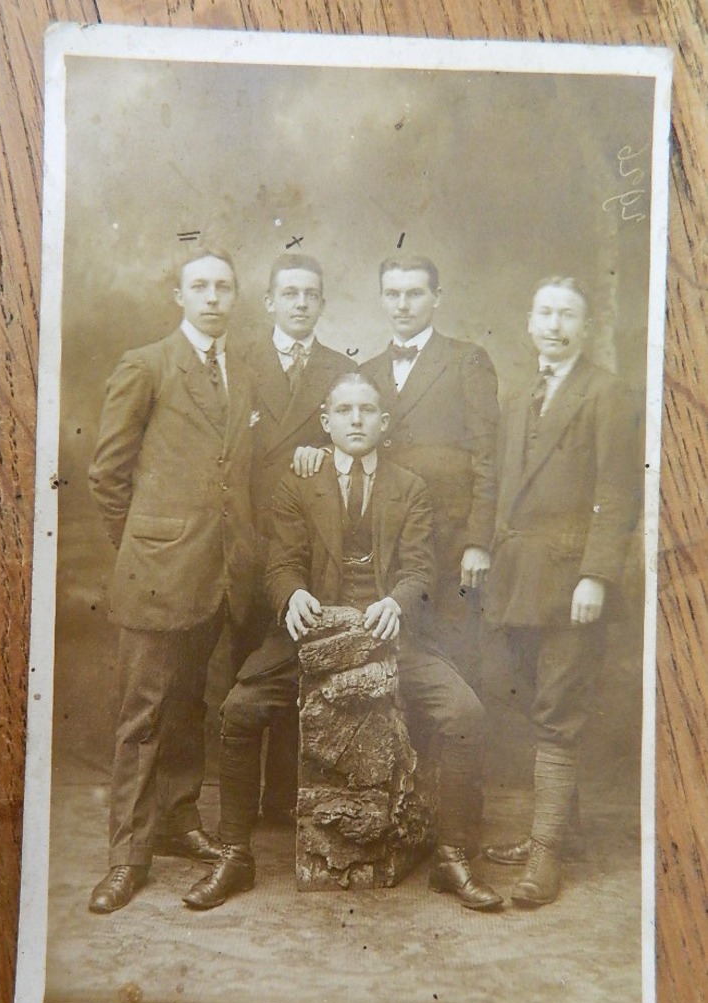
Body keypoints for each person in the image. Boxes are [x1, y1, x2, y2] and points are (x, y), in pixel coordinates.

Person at [182, 372, 503, 913]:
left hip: (389, 632)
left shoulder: (409, 487)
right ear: (326, 423)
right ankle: (235, 855)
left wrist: (394, 603)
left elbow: (421, 569)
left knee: (465, 714)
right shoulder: (297, 485)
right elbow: (280, 564)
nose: (356, 419)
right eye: (345, 410)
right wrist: (294, 597)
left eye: (367, 410)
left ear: (383, 422)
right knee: (239, 710)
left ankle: (452, 857)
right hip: (314, 633)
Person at [86, 247, 257, 913]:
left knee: (191, 703)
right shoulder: (147, 365)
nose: (213, 297)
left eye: (223, 286)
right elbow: (107, 473)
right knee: (143, 716)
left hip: (217, 573)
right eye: (200, 287)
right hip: (158, 571)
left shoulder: (238, 372)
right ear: (179, 297)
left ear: (234, 296)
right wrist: (144, 546)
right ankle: (127, 858)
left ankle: (179, 822)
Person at [482, 277, 642, 906]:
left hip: (573, 582)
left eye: (567, 315)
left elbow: (618, 492)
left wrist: (596, 576)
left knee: (558, 708)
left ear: (585, 325)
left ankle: (545, 858)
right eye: (544, 312)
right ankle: (560, 831)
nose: (554, 324)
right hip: (519, 579)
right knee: (529, 698)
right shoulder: (520, 398)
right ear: (529, 320)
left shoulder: (605, 392)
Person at [244, 253, 350, 823]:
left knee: (294, 660)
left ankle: (282, 802)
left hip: (299, 544)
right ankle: (228, 810)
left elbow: (363, 434)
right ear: (270, 302)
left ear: (322, 304)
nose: (301, 303)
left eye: (311, 294)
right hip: (242, 534)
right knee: (241, 669)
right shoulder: (239, 360)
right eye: (290, 294)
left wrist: (328, 451)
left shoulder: (339, 369)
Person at [360, 255, 499, 678]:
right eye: (393, 294)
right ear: (382, 299)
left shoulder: (467, 360)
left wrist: (479, 541)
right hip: (388, 545)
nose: (403, 305)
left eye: (415, 293)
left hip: (451, 543)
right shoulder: (366, 372)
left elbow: (488, 456)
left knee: (453, 665)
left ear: (436, 298)